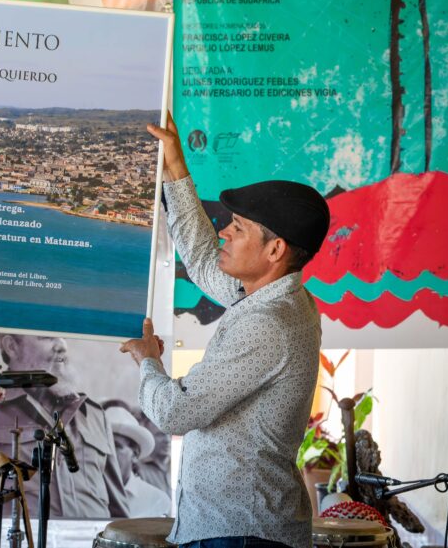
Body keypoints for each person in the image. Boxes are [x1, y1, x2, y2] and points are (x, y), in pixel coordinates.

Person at [121, 113, 329, 548]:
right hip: (235, 529)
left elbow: (178, 412)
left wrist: (149, 362)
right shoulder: (265, 294)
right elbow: (199, 257)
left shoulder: (267, 323)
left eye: (239, 229)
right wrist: (176, 168)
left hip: (242, 534)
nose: (225, 233)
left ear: (275, 250)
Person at [0, 334, 131, 518]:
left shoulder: (94, 415)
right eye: (47, 337)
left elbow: (118, 512)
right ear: (11, 346)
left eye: (64, 336)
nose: (62, 346)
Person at [102, 398, 171, 517]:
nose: (108, 452)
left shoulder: (156, 501)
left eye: (116, 446)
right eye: (103, 445)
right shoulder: (87, 495)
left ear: (135, 454)